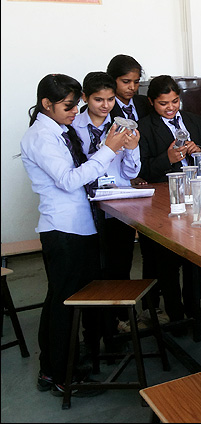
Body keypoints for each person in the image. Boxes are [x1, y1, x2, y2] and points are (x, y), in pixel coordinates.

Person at [20, 73, 132, 397]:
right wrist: (108, 150)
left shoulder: (56, 130)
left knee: (60, 300)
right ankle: (61, 376)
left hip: (75, 226)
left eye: (75, 105)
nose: (74, 111)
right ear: (47, 104)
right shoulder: (42, 136)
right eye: (68, 106)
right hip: (63, 229)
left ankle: (51, 370)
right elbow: (69, 180)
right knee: (65, 305)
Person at [137, 75, 201, 333]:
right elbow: (141, 170)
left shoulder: (193, 120)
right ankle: (175, 312)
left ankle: (194, 307)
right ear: (151, 102)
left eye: (175, 101)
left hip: (195, 196)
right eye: (163, 103)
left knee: (195, 256)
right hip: (163, 201)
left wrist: (198, 149)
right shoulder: (144, 127)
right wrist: (168, 158)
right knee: (167, 260)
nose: (170, 108)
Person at [74, 72, 141, 335]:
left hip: (117, 205)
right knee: (92, 271)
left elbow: (131, 172)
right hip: (86, 208)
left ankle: (119, 321)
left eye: (110, 99)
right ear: (84, 98)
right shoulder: (71, 127)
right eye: (98, 99)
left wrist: (132, 148)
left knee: (120, 266)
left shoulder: (120, 126)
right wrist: (107, 148)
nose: (105, 105)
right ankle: (94, 329)